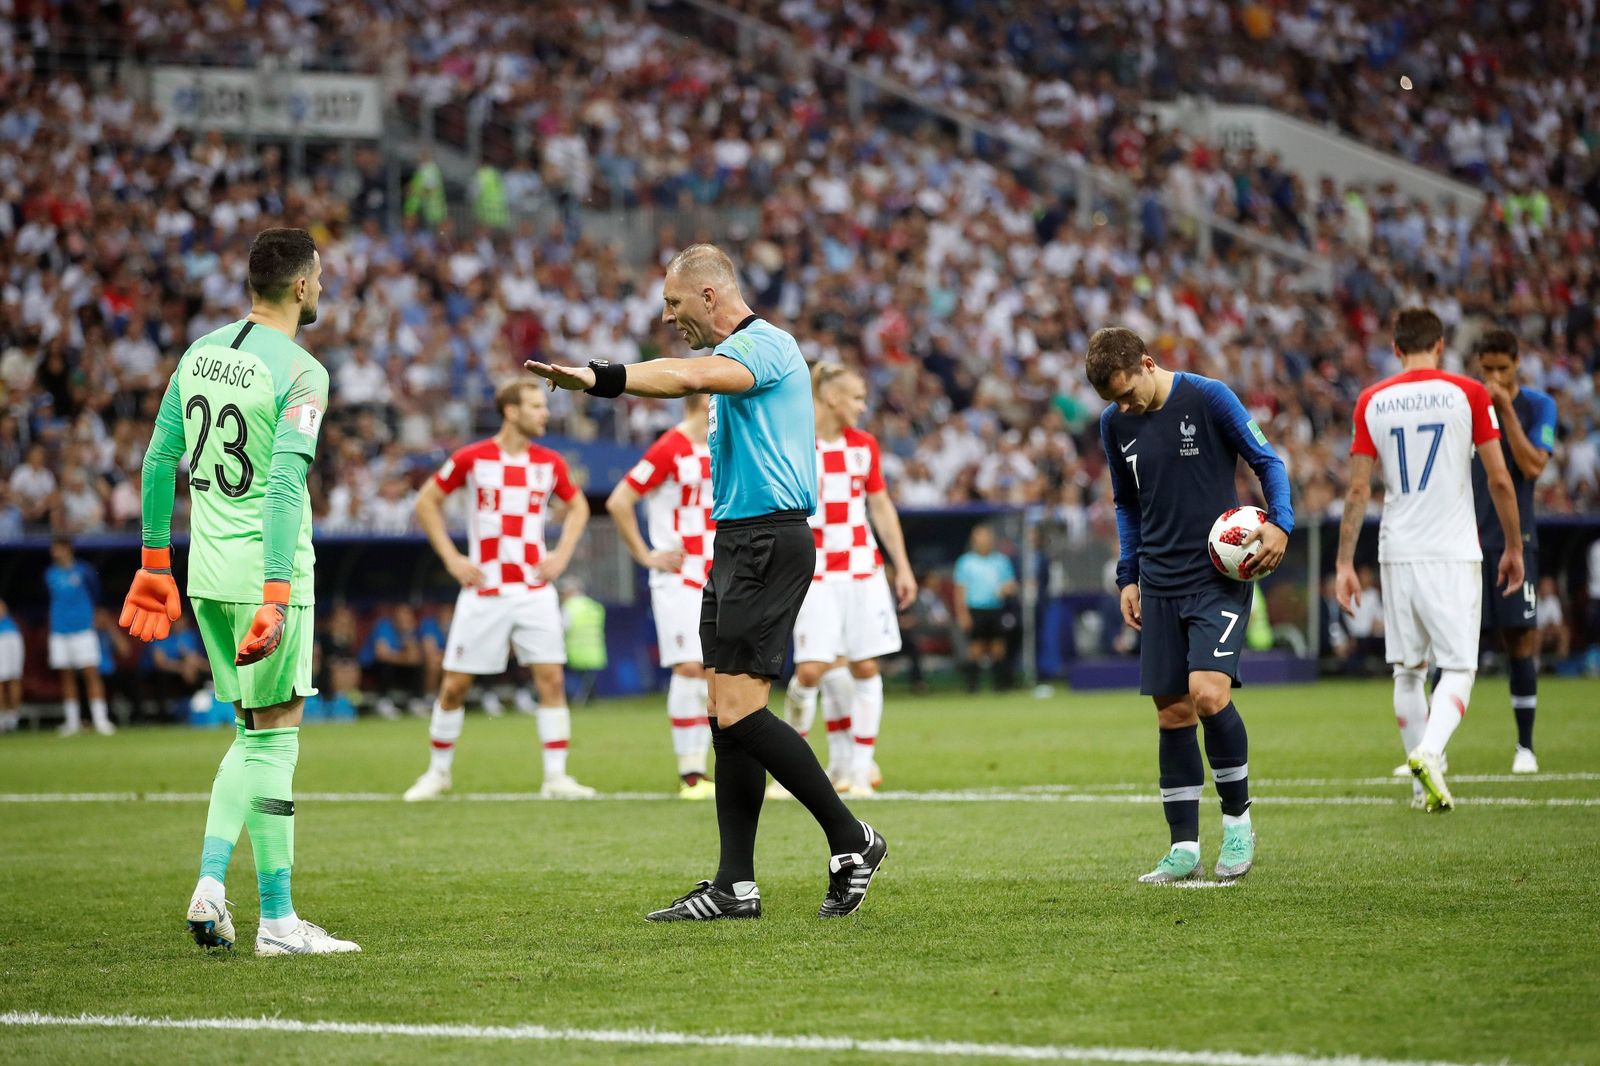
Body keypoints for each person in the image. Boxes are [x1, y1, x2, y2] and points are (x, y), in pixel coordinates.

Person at [527, 243, 886, 922]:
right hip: (737, 541)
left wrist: (600, 377)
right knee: (725, 714)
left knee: (741, 713)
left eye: (674, 303)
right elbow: (686, 371)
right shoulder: (734, 356)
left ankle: (853, 839)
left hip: (767, 539)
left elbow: (684, 376)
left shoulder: (767, 346)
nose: (668, 317)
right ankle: (734, 885)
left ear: (710, 295)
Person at [119, 227, 359, 955]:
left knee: (251, 735)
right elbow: (284, 482)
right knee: (277, 737)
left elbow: (157, 461)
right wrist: (277, 594)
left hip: (206, 576)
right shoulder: (303, 373)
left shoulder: (199, 353)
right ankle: (279, 923)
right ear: (300, 285)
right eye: (319, 276)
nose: (322, 287)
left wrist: (153, 563)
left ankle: (210, 885)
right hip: (266, 577)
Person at [1090, 326, 1292, 883]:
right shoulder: (1113, 423)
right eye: (1112, 400)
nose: (1124, 406)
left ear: (1147, 363)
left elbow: (1267, 461)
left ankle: (1238, 825)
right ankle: (1183, 848)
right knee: (1172, 712)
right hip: (1157, 580)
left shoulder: (1208, 397)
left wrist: (1280, 523)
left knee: (1207, 693)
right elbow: (1126, 505)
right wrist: (1128, 576)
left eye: (1127, 393)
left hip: (1215, 576)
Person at [1336, 308, 1523, 814]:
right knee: (1458, 668)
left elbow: (1358, 489)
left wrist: (1344, 564)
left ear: (1396, 349)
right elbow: (1499, 479)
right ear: (1440, 346)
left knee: (1408, 672)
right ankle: (1430, 751)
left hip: (1397, 549)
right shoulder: (1469, 393)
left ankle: (1422, 789)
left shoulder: (1371, 399)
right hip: (1451, 550)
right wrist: (1514, 546)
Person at [403, 378, 595, 802]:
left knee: (551, 679)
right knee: (454, 686)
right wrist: (452, 559)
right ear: (511, 411)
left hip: (534, 588)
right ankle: (438, 773)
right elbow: (425, 502)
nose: (545, 413)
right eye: (536, 406)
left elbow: (579, 506)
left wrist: (561, 555)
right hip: (485, 589)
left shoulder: (550, 462)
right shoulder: (472, 458)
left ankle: (556, 777)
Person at [780, 363, 917, 798]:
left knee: (865, 665)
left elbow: (881, 507)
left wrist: (902, 565)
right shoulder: (794, 442)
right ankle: (787, 767)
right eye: (856, 398)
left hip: (862, 569)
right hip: (813, 572)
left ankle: (858, 769)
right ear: (831, 398)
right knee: (811, 671)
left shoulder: (864, 446)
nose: (862, 406)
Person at [605, 394, 717, 799]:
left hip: (720, 573)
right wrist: (646, 555)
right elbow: (620, 500)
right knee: (690, 666)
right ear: (703, 400)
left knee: (715, 672)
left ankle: (708, 769)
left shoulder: (724, 445)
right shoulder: (669, 447)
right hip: (679, 575)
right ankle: (691, 773)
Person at [1469, 328, 1557, 773]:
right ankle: (1434, 750)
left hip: (1516, 541)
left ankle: (1525, 747)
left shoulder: (1538, 406)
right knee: (1451, 643)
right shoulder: (1465, 403)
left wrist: (1504, 408)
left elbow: (1533, 466)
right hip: (1466, 539)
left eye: (1503, 368)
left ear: (1517, 363)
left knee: (1520, 639)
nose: (1495, 377)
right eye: (1487, 369)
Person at [46, 536, 113, 736]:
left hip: (83, 629)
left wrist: (95, 615)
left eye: (58, 548)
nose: (54, 552)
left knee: (91, 674)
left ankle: (101, 720)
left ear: (68, 549)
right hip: (60, 631)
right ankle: (72, 722)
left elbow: (96, 595)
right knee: (66, 676)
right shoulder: (50, 574)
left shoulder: (84, 571)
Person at [952, 525, 1018, 692]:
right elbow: (959, 590)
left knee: (998, 647)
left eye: (987, 538)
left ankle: (1000, 686)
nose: (984, 541)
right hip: (975, 609)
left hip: (996, 609)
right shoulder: (965, 562)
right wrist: (962, 613)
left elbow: (1011, 584)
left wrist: (1007, 589)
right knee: (975, 648)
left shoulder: (1001, 561)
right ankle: (972, 686)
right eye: (980, 538)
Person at [559, 577, 607, 707]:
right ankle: (587, 699)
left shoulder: (569, 607)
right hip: (594, 649)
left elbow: (562, 627)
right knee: (588, 679)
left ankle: (576, 699)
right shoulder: (594, 606)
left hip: (574, 651)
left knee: (571, 679)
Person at [1534, 576, 1568, 663]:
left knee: (1564, 632)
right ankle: (1535, 662)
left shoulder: (1554, 600)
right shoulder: (1533, 599)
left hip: (1549, 631)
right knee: (1537, 634)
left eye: (1549, 586)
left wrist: (1549, 627)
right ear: (1540, 586)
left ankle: (1561, 662)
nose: (1547, 588)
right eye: (1545, 585)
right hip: (1536, 631)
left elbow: (1557, 622)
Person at [0, 598, 22, 732]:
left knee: (12, 679)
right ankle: (4, 719)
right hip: (10, 637)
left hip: (6, 637)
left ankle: (11, 719)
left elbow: (1, 611)